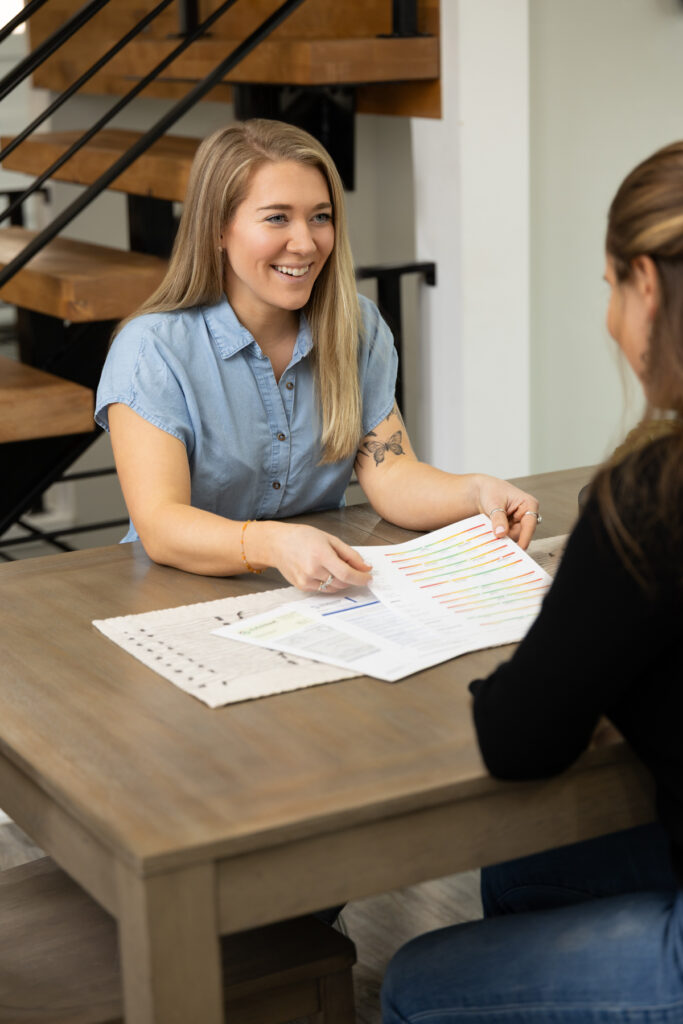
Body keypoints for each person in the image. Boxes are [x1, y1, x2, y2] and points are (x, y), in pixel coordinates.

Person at [381, 141, 683, 1023]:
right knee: (524, 869)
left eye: (607, 289)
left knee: (410, 986)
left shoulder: (649, 497)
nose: (607, 319)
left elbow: (518, 738)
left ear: (647, 287)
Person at [95, 119, 539, 589]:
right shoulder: (151, 350)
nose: (305, 243)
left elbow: (392, 476)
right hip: (174, 593)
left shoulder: (359, 328)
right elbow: (161, 526)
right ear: (218, 230)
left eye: (320, 217)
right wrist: (275, 544)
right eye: (276, 217)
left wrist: (476, 492)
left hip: (320, 591)